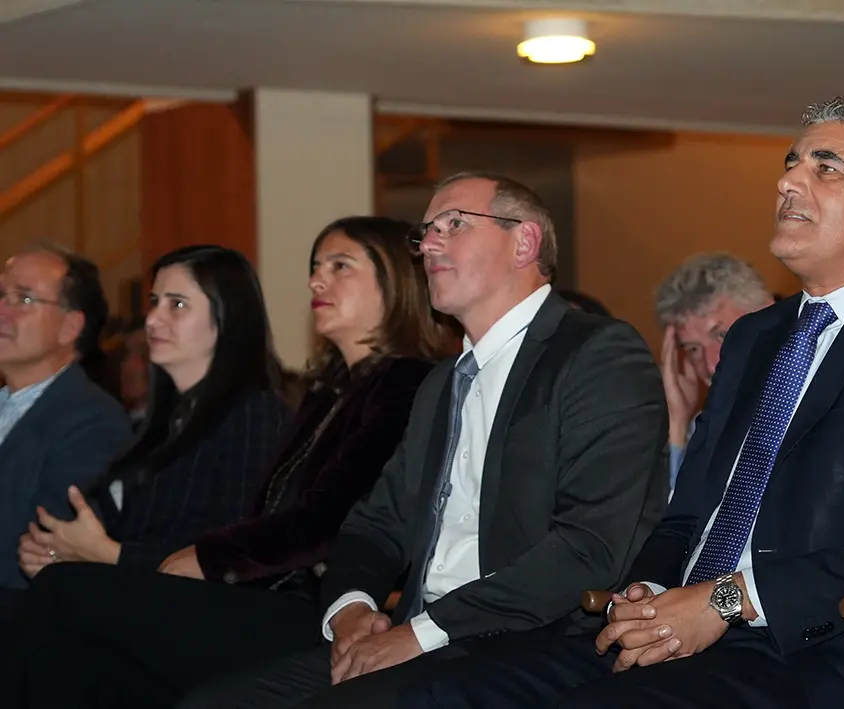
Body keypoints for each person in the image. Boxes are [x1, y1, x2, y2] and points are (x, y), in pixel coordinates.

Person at [365, 96, 844, 709]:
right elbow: (687, 515)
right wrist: (647, 590)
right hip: (686, 630)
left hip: (818, 654)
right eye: (791, 163)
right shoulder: (755, 337)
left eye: (825, 167)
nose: (787, 182)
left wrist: (727, 599)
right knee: (439, 694)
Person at [180, 172, 669, 709]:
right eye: (426, 232)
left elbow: (589, 546)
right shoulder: (442, 383)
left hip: (533, 642)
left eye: (453, 224)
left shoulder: (596, 354)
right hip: (423, 636)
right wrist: (351, 607)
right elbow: (376, 522)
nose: (429, 245)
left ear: (524, 242)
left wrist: (422, 632)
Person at [3, 218, 455, 708]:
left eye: (339, 266)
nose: (316, 281)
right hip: (268, 597)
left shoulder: (404, 384)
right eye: (315, 267)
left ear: (394, 282)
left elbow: (331, 519)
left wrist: (205, 556)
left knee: (65, 593)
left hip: (315, 610)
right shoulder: (329, 392)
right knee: (82, 658)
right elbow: (268, 517)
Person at [17, 245, 288, 579]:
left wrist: (105, 553)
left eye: (177, 305)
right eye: (155, 302)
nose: (153, 320)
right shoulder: (162, 425)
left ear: (227, 318)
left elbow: (233, 559)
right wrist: (59, 555)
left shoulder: (254, 415)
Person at [0, 247, 132, 617]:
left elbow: (44, 548)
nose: (2, 310)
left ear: (70, 327)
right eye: (1, 295)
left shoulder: (94, 421)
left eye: (23, 298)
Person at [654, 253, 774, 488]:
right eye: (693, 349)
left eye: (722, 335)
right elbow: (677, 508)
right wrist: (677, 424)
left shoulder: (821, 401)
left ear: (769, 315)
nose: (710, 365)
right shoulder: (702, 430)